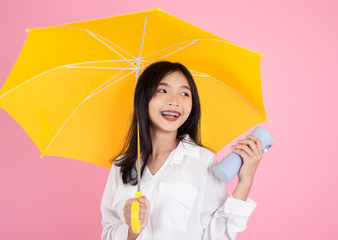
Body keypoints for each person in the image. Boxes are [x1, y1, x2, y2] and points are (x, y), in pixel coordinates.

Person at [100, 61, 263, 240]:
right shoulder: (121, 166)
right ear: (143, 98)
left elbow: (217, 235)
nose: (174, 101)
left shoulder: (202, 161)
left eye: (184, 93)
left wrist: (245, 182)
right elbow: (108, 232)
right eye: (162, 90)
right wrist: (132, 231)